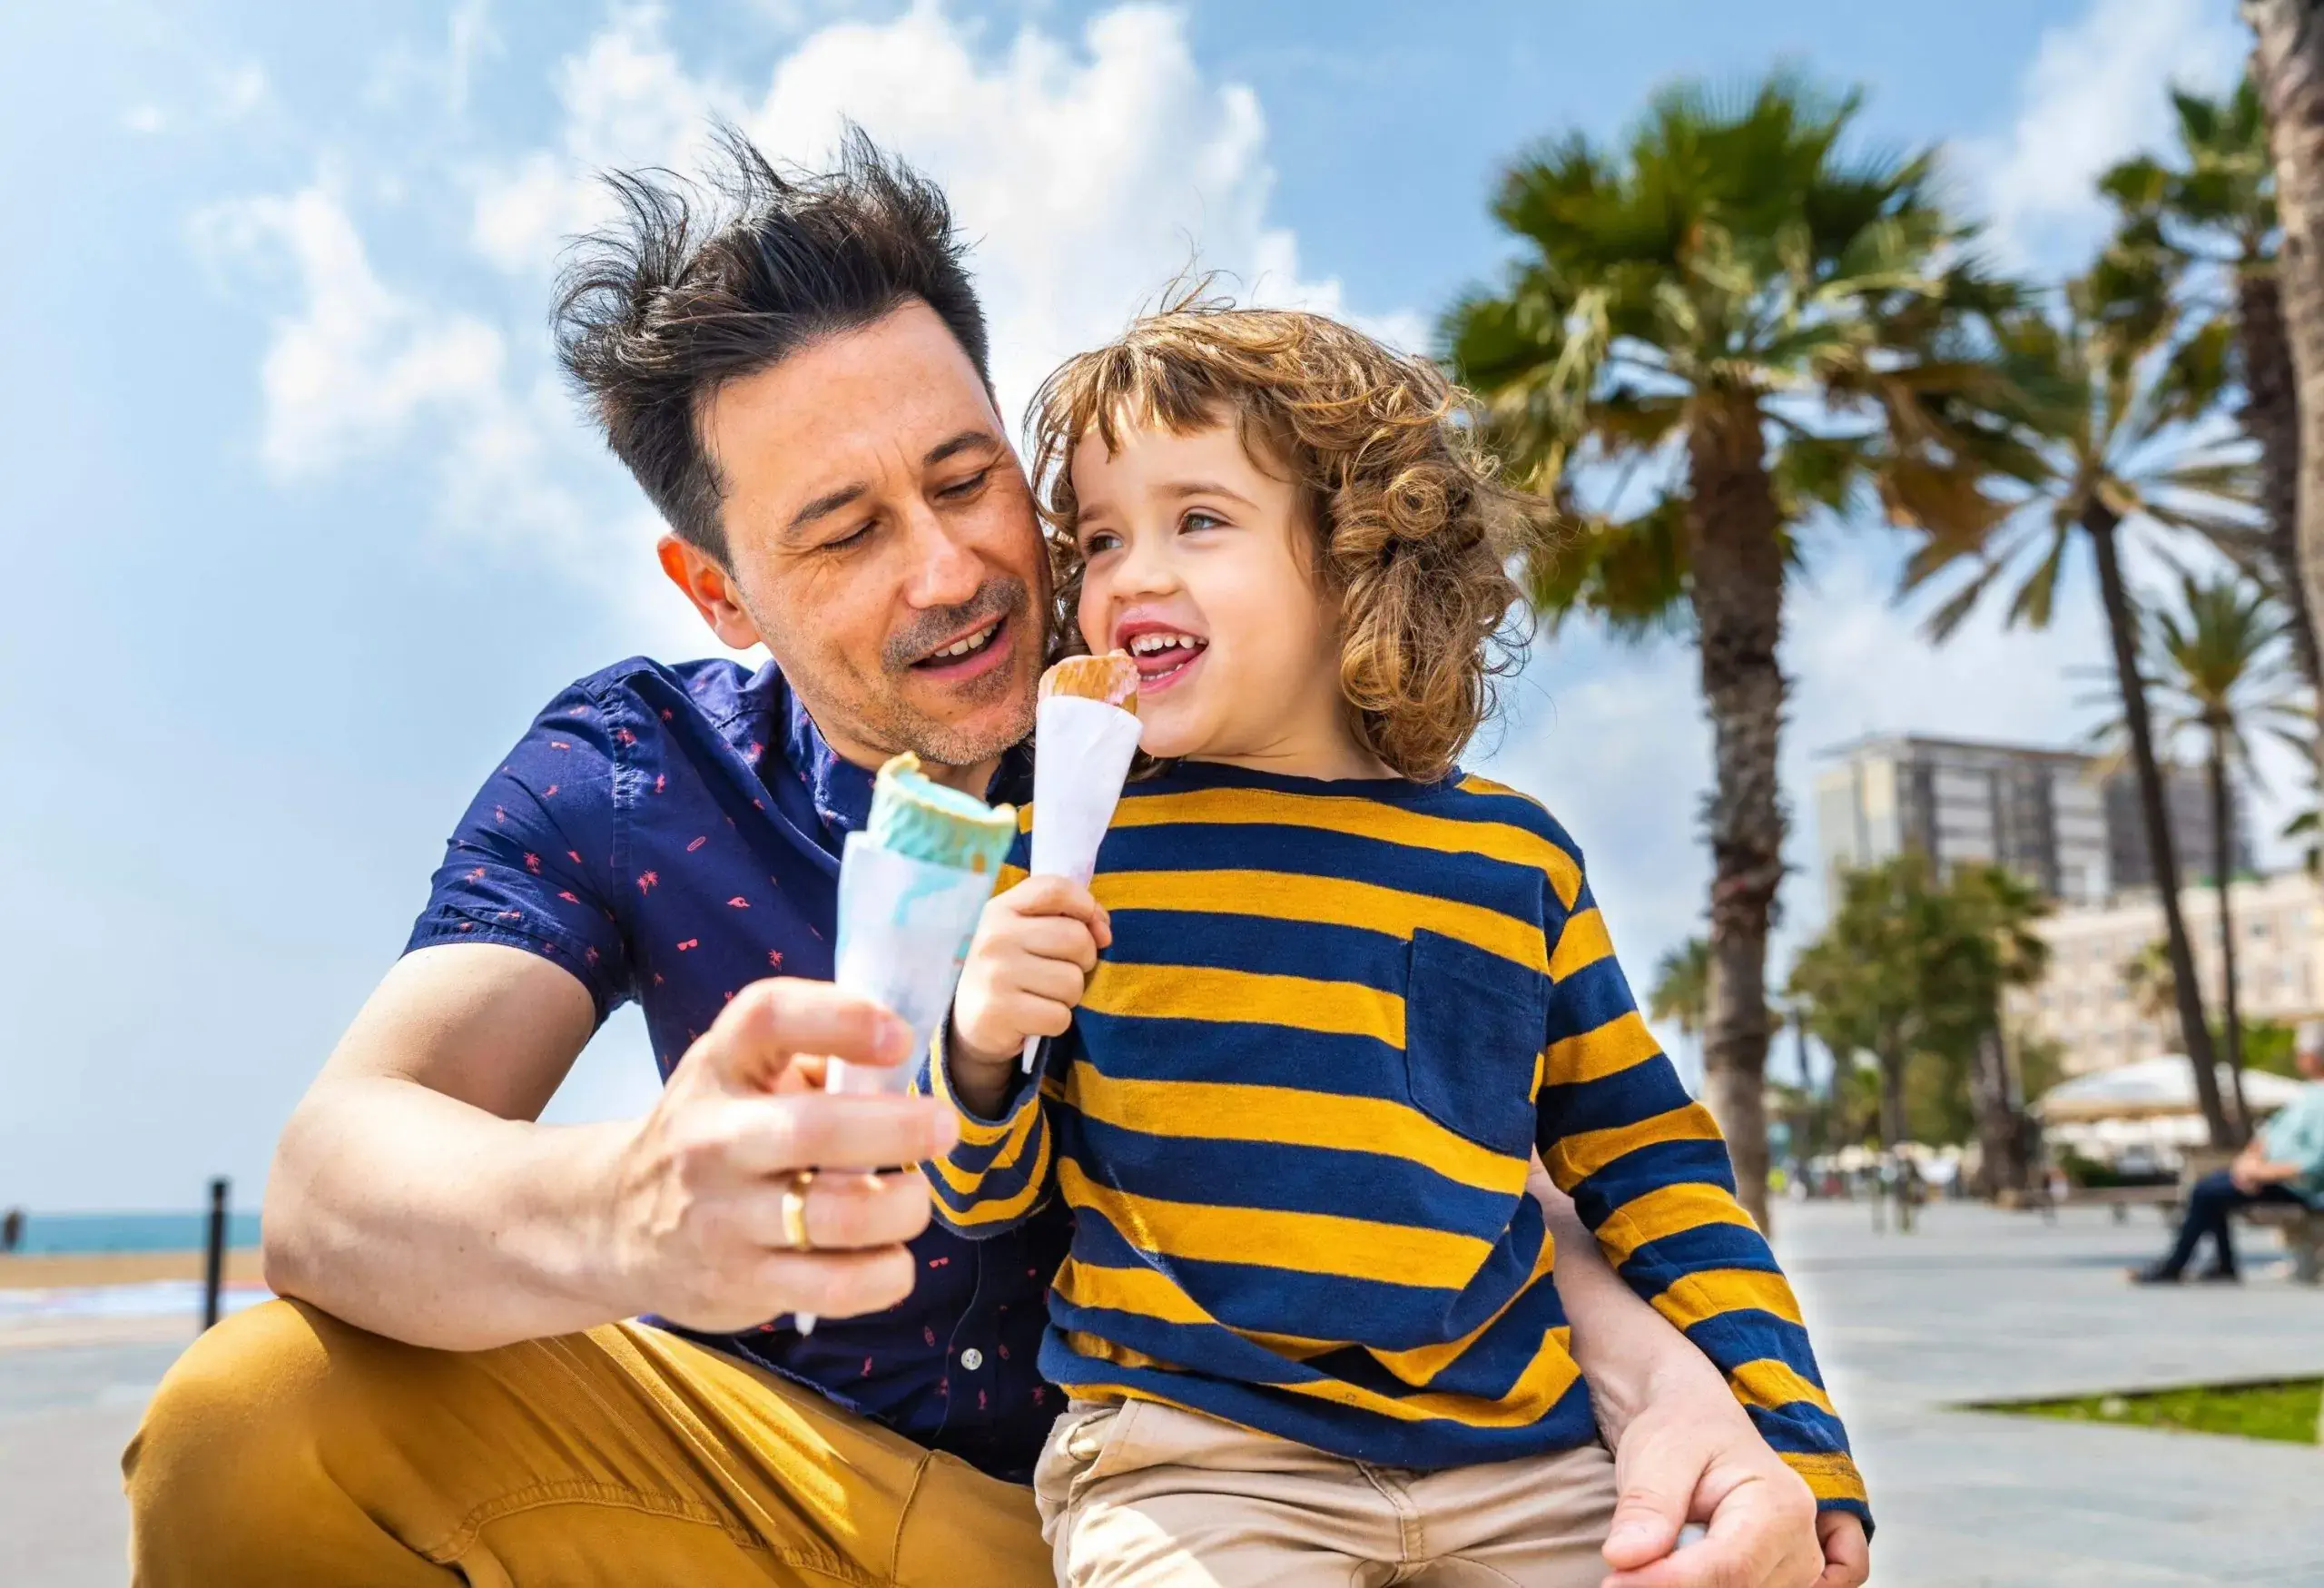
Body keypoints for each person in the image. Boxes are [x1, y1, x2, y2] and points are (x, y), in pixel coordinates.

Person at [122, 132, 1864, 1588]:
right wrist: (629, 1211)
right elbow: (335, 1179)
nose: (957, 571)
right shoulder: (633, 762)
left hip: (1207, 1499)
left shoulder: (1193, 729)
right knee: (250, 1415)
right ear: (719, 593)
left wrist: (1674, 1377)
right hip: (780, 1485)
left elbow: (1439, 1104)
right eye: (845, 530)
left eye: (971, 482)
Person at [931, 302, 1867, 1587]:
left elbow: (1651, 1167)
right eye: (1098, 537)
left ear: (1361, 555)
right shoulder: (1066, 850)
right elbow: (983, 1193)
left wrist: (1796, 1445)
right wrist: (982, 1046)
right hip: (1202, 1462)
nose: (1129, 573)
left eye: (1197, 519)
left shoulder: (1512, 862)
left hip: (1524, 1462)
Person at [2132, 1021, 2324, 1284]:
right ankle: (2221, 1264)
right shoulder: (2307, 1094)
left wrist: (2260, 1173)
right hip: (2270, 1178)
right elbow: (2266, 1137)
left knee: (2207, 1192)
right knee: (2211, 1188)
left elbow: (2315, 1163)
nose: (2298, 1059)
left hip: (2302, 1188)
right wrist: (2245, 1165)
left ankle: (2178, 1265)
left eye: (2302, 1054)